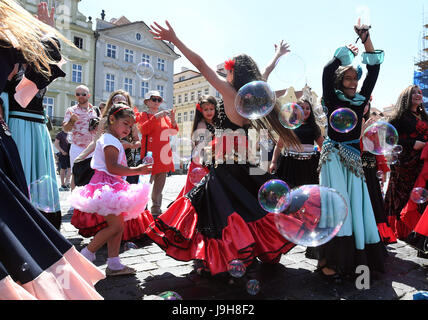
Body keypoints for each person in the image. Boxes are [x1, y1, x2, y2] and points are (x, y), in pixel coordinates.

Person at [145, 21, 301, 277]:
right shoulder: (253, 95)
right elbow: (265, 72)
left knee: (221, 209)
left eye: (227, 70)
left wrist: (175, 38)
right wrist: (277, 55)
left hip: (226, 161)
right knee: (249, 205)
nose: (224, 74)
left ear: (233, 74)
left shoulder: (230, 93)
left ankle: (228, 253)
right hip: (245, 159)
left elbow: (201, 64)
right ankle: (253, 249)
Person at [0, 0, 104, 299]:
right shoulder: (15, 83)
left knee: (24, 192)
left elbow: (46, 62)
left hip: (28, 125)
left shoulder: (23, 77)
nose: (82, 95)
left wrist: (45, 31)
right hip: (16, 125)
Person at [311, 22, 387, 282]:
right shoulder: (331, 99)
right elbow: (326, 70)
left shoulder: (361, 100)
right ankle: (330, 260)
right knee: (335, 206)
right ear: (339, 80)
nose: (354, 82)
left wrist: (367, 39)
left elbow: (374, 69)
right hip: (332, 158)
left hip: (354, 160)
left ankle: (355, 259)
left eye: (356, 78)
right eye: (348, 77)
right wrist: (344, 52)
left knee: (356, 208)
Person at [69, 104, 153, 276]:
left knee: (119, 227)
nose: (128, 129)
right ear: (112, 120)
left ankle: (114, 265)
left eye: (131, 126)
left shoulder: (112, 139)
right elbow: (112, 167)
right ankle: (85, 255)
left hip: (112, 184)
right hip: (107, 186)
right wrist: (138, 170)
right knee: (115, 227)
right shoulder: (109, 140)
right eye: (125, 123)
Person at [384, 85, 428, 240]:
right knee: (404, 194)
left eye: (420, 92)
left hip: (422, 162)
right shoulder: (399, 117)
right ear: (406, 96)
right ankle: (403, 229)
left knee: (421, 194)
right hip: (404, 163)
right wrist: (412, 143)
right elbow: (389, 139)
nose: (417, 94)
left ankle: (418, 229)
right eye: (413, 92)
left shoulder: (424, 116)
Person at [135, 90, 178, 217]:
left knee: (159, 187)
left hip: (163, 155)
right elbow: (143, 129)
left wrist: (174, 120)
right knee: (144, 186)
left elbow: (173, 132)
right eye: (154, 99)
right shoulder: (143, 115)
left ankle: (156, 210)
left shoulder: (164, 117)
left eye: (159, 100)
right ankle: (140, 210)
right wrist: (155, 117)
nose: (157, 102)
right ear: (147, 102)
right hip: (149, 156)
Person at [360, 100, 396, 245]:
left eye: (367, 103)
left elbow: (377, 150)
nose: (365, 106)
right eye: (363, 103)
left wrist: (383, 170)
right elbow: (353, 146)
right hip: (358, 167)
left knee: (374, 199)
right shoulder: (352, 123)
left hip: (371, 167)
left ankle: (375, 233)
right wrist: (363, 129)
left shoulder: (372, 126)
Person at [270, 99, 324, 188]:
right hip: (290, 165)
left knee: (308, 191)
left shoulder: (314, 127)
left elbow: (323, 146)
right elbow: (279, 145)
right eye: (302, 108)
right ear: (295, 110)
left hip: (309, 165)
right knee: (290, 190)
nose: (305, 110)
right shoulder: (288, 125)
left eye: (308, 108)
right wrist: (273, 162)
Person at [62, 85, 98, 191]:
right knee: (75, 174)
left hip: (92, 147)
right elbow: (65, 129)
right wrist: (72, 121)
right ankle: (74, 203)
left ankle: (88, 201)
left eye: (83, 94)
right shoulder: (71, 110)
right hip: (77, 146)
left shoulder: (94, 110)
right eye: (78, 94)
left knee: (92, 174)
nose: (81, 96)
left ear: (89, 95)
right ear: (75, 96)